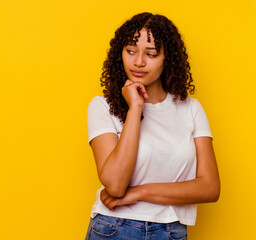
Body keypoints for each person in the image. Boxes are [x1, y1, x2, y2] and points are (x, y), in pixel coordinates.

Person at [85, 12, 220, 240]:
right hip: (114, 228)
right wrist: (135, 108)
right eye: (130, 51)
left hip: (171, 231)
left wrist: (140, 192)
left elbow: (209, 187)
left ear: (168, 59)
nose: (139, 61)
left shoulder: (190, 108)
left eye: (151, 54)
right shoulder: (102, 106)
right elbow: (116, 186)